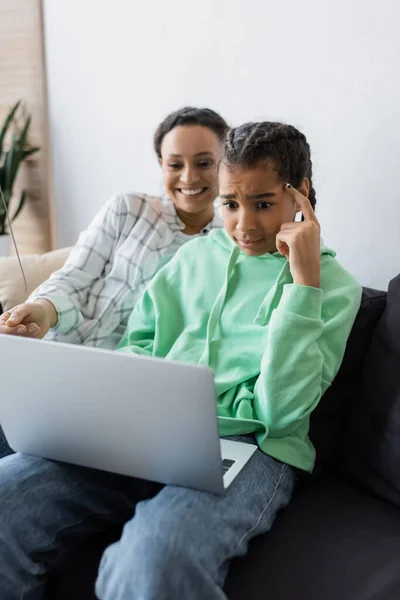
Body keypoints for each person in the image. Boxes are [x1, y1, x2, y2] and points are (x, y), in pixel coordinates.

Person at [0, 121, 362, 600]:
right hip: (149, 430)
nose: (244, 225)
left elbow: (281, 413)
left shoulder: (333, 287)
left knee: (155, 555)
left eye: (263, 203)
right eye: (230, 204)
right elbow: (139, 347)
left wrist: (303, 285)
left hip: (252, 448)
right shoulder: (194, 259)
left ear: (302, 195)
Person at [0, 106, 229, 457]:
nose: (188, 177)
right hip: (57, 368)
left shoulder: (231, 248)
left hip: (121, 402)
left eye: (203, 162)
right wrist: (42, 310)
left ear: (225, 165)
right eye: (175, 164)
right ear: (160, 165)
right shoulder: (128, 209)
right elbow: (74, 276)